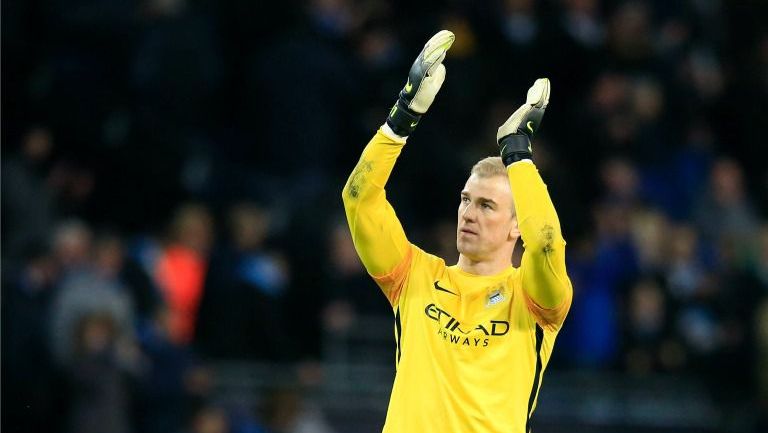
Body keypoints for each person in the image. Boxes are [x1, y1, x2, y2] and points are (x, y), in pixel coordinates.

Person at [341, 30, 573, 432]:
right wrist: (401, 118)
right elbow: (359, 199)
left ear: (516, 225)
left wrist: (517, 153)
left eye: (486, 205)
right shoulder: (414, 277)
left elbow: (547, 243)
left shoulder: (533, 299)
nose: (468, 213)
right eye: (466, 200)